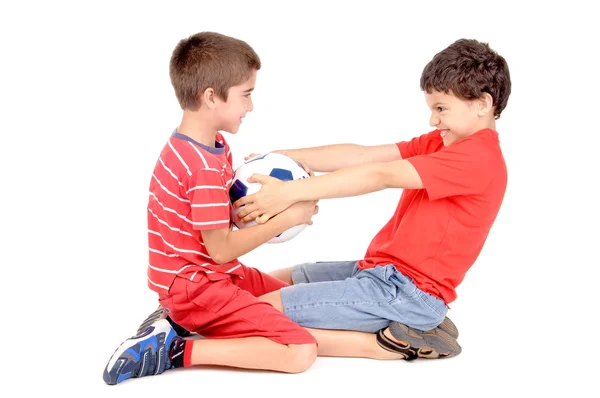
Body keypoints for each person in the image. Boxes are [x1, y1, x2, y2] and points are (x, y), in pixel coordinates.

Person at [103, 32, 465, 386]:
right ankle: (176, 350)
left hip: (209, 278)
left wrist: (271, 200)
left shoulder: (209, 147)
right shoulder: (200, 166)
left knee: (294, 301)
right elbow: (220, 247)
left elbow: (217, 220)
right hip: (197, 286)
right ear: (211, 97)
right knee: (299, 350)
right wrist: (289, 216)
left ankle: (181, 319)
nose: (250, 106)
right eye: (246, 95)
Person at [234, 37, 510, 358]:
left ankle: (385, 344)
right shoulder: (442, 142)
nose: (433, 120)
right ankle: (410, 326)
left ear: (482, 103)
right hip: (382, 272)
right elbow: (364, 156)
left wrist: (289, 191)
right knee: (270, 281)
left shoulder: (479, 158)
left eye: (441, 109)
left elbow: (380, 175)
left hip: (407, 293)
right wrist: (283, 157)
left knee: (256, 312)